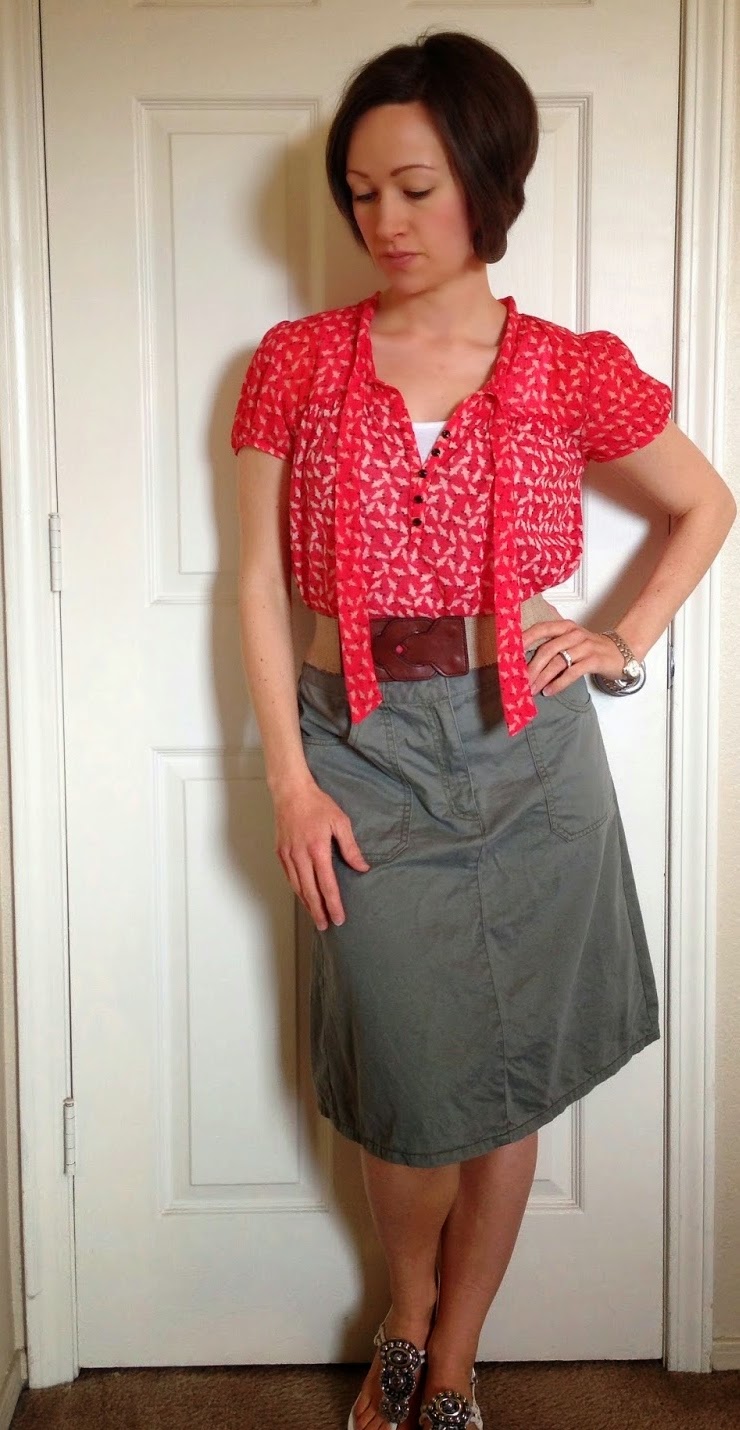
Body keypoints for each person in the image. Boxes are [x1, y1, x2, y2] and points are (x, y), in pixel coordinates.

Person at [231, 30, 735, 1430]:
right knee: (411, 1082)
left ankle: (454, 1362)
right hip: (361, 747)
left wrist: (624, 636)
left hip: (532, 755)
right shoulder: (295, 363)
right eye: (361, 193)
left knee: (511, 1080)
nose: (384, 222)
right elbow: (257, 581)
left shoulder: (569, 367)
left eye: (416, 187)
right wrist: (289, 779)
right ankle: (404, 1310)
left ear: (487, 182)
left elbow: (706, 502)